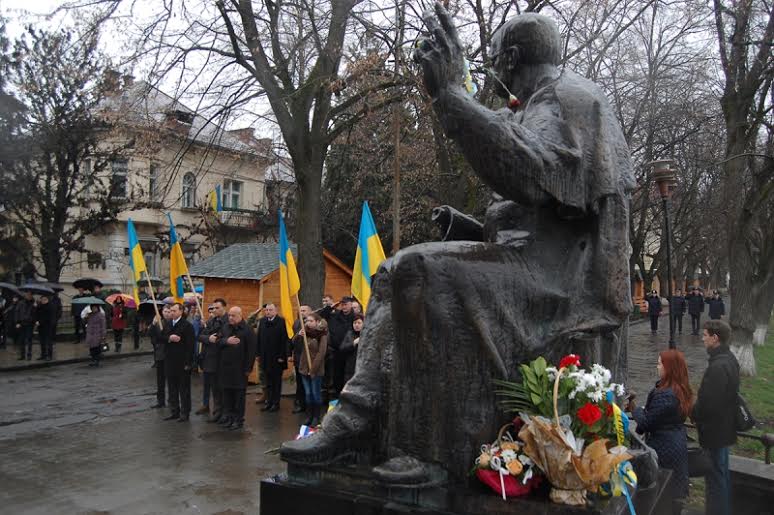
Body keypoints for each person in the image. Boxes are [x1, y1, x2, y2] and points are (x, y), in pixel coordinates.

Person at [282, 6, 635, 484]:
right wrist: (472, 228)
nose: (492, 74)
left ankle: (433, 453)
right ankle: (355, 418)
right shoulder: (542, 102)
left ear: (510, 58)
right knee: (391, 274)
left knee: (420, 270)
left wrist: (452, 96)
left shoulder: (569, 98)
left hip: (563, 287)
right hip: (534, 265)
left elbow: (535, 174)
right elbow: (541, 211)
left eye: (493, 61)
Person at [630, 350, 692, 509]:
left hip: (664, 448)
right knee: (672, 492)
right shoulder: (679, 388)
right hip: (675, 444)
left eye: (659, 363)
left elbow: (645, 423)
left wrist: (634, 408)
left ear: (669, 368)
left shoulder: (666, 395)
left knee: (661, 494)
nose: (657, 366)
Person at [691, 320, 739, 515]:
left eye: (705, 335)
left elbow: (710, 404)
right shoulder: (728, 359)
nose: (702, 339)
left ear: (715, 338)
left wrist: (693, 413)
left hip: (715, 433)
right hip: (724, 430)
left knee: (715, 481)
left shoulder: (718, 367)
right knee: (720, 476)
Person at [217, 306, 257, 431]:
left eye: (233, 316)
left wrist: (248, 369)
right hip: (225, 368)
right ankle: (229, 417)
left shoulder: (247, 330)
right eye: (229, 315)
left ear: (240, 315)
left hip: (240, 369)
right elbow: (217, 341)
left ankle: (238, 419)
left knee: (239, 396)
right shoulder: (225, 327)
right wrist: (226, 341)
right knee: (227, 395)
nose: (230, 318)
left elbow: (251, 351)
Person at [294, 312, 327, 427]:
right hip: (304, 368)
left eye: (311, 321)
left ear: (317, 322)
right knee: (308, 394)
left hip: (316, 370)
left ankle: (316, 417)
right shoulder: (305, 332)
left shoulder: (322, 334)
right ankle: (309, 416)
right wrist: (298, 336)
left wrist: (313, 370)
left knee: (315, 393)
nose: (308, 323)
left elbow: (321, 353)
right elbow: (295, 344)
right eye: (307, 321)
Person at [163, 303, 195, 422]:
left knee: (184, 389)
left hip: (182, 362)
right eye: (171, 311)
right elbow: (161, 337)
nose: (172, 313)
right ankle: (174, 411)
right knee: (172, 389)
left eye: (174, 311)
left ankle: (185, 413)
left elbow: (191, 346)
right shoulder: (168, 324)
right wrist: (169, 338)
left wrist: (188, 363)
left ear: (181, 311)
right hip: (170, 361)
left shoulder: (187, 326)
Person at [198, 299, 228, 421]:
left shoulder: (227, 321)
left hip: (223, 360)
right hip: (210, 360)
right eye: (213, 308)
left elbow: (221, 337)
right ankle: (217, 412)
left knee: (223, 389)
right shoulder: (211, 321)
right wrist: (208, 338)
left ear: (224, 308)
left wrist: (213, 338)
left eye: (217, 308)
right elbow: (200, 336)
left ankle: (225, 413)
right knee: (215, 388)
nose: (214, 310)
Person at [320, 296, 356, 397]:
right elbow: (322, 316)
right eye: (342, 304)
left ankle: (348, 395)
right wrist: (330, 307)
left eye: (346, 304)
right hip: (336, 350)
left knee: (349, 374)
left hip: (350, 351)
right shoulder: (335, 315)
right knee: (337, 375)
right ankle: (337, 394)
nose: (344, 306)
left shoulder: (355, 317)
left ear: (350, 305)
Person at [257, 303, 288, 412]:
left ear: (276, 311)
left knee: (276, 382)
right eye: (266, 310)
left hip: (277, 358)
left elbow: (284, 340)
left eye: (270, 310)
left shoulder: (281, 322)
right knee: (268, 381)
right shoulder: (262, 321)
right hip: (265, 357)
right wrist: (258, 354)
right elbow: (259, 338)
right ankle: (268, 402)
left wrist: (282, 356)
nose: (268, 312)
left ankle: (275, 403)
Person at [291, 304, 313, 414]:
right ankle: (301, 404)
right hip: (299, 358)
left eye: (304, 310)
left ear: (310, 312)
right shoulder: (296, 323)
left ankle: (311, 406)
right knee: (300, 383)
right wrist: (298, 335)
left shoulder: (315, 323)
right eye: (300, 310)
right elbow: (293, 341)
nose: (302, 312)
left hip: (310, 358)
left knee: (310, 384)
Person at [149, 305, 171, 408]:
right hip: (160, 355)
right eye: (165, 311)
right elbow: (150, 334)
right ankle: (160, 401)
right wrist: (153, 324)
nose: (166, 313)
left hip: (170, 355)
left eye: (168, 311)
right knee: (160, 380)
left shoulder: (172, 323)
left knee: (171, 379)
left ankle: (172, 399)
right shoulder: (157, 323)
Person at [338, 314, 363, 385]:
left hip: (362, 367)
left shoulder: (368, 334)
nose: (356, 325)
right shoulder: (349, 334)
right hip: (350, 367)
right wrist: (353, 343)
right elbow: (342, 348)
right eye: (354, 323)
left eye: (359, 323)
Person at [15, 291, 35, 361]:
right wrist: (17, 322)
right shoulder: (21, 303)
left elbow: (36, 314)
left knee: (29, 340)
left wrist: (32, 320)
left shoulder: (34, 304)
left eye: (29, 295)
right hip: (21, 323)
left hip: (30, 324)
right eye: (27, 295)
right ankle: (22, 355)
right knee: (22, 340)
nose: (28, 296)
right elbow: (17, 312)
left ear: (32, 296)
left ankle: (29, 354)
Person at [34, 295, 55, 360]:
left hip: (48, 326)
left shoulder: (50, 306)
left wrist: (40, 321)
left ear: (47, 299)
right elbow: (36, 314)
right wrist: (36, 320)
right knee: (42, 341)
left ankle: (49, 355)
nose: (42, 300)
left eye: (44, 299)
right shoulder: (39, 306)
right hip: (41, 327)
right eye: (42, 299)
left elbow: (48, 317)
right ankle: (43, 355)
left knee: (48, 342)